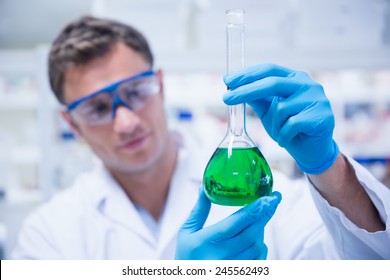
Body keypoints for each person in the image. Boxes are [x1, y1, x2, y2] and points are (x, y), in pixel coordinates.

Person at [12, 16, 389, 260]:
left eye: (136, 91)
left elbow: (372, 260)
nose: (125, 122)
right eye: (95, 107)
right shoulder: (49, 237)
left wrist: (329, 169)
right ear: (71, 123)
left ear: (159, 85)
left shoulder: (269, 198)